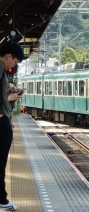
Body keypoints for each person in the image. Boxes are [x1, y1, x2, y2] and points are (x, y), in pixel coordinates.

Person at [0, 42, 24, 211]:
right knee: (0, 163)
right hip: (1, 122)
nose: (14, 65)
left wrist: (7, 94)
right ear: (9, 56)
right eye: (15, 61)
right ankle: (1, 199)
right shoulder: (0, 66)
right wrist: (9, 99)